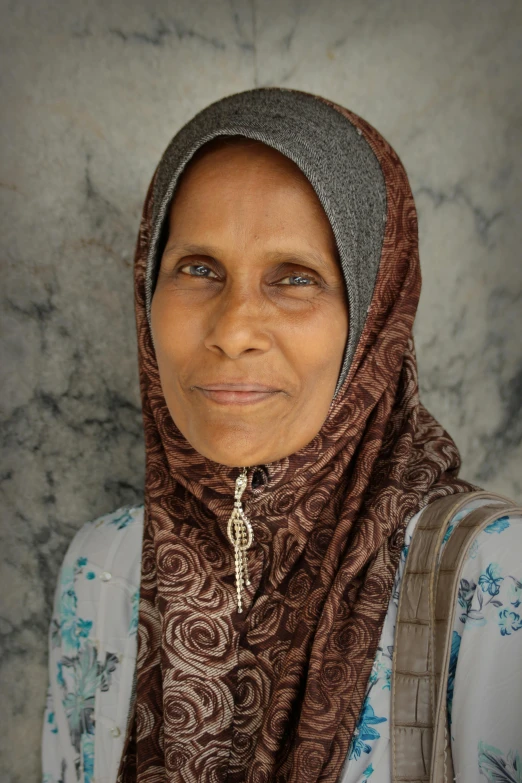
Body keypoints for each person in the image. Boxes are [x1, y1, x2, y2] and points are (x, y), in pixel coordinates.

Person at [41, 88, 522, 783]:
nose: (235, 330)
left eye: (295, 278)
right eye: (199, 268)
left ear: (374, 315)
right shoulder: (102, 570)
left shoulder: (491, 579)